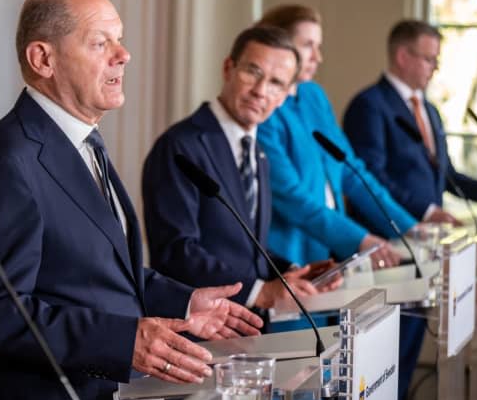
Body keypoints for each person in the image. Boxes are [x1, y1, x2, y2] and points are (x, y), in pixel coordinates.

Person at [0, 0, 263, 400]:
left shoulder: (84, 141)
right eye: (101, 43)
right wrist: (121, 342)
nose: (123, 54)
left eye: (120, 39)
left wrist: (185, 301)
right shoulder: (8, 160)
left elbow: (100, 272)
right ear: (43, 58)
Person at [142, 25, 339, 325]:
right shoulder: (181, 146)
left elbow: (245, 248)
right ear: (228, 68)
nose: (260, 91)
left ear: (285, 95)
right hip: (196, 331)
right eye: (252, 72)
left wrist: (293, 273)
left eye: (276, 83)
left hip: (244, 332)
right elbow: (176, 250)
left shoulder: (258, 154)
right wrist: (258, 291)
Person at [255, 5, 416, 269]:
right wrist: (359, 238)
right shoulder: (264, 109)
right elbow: (291, 196)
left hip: (332, 250)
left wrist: (408, 228)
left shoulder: (314, 95)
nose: (318, 57)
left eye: (319, 46)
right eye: (308, 45)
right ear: (279, 45)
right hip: (288, 254)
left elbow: (351, 171)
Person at [343, 19, 477, 226]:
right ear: (402, 57)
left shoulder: (430, 110)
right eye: (429, 59)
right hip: (388, 234)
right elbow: (371, 177)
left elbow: (446, 176)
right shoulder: (369, 105)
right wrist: (426, 212)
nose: (435, 68)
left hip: (428, 237)